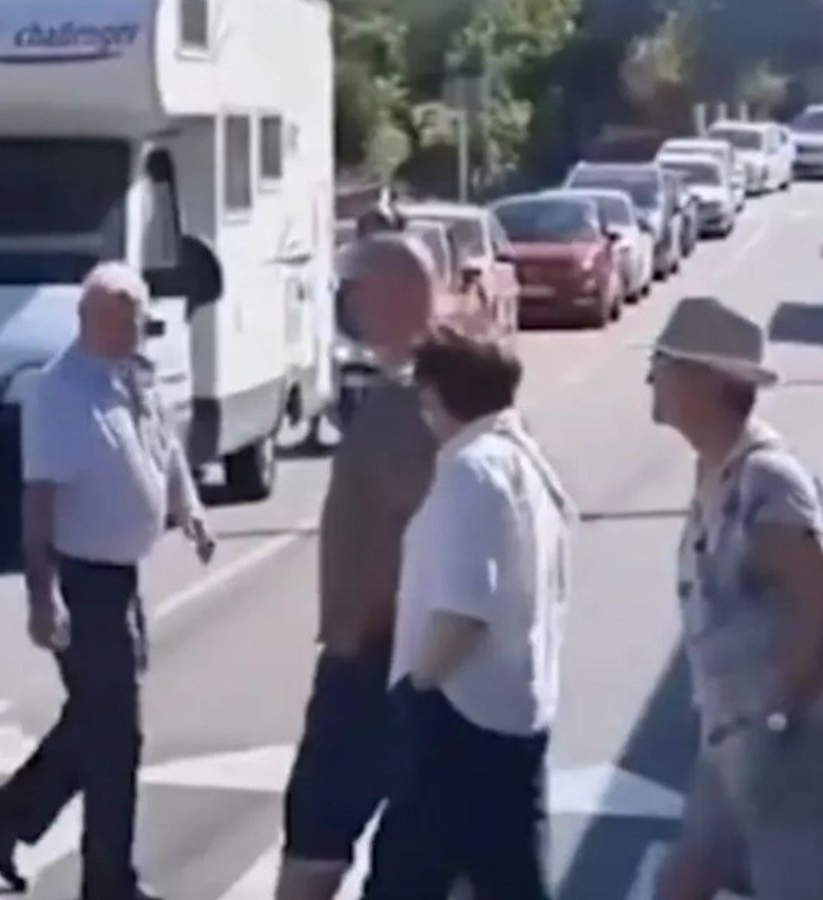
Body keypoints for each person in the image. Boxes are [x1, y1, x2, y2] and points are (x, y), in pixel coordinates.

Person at [0, 262, 214, 900]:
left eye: (138, 319)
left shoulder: (131, 378)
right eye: (122, 320)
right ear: (88, 320)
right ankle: (108, 879)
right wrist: (41, 594)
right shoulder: (60, 390)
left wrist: (190, 511)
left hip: (122, 574)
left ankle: (4, 816)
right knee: (115, 732)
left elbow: (166, 451)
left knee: (99, 720)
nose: (135, 331)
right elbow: (39, 496)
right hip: (81, 576)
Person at [649, 297, 823, 900]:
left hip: (794, 743)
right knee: (683, 882)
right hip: (737, 737)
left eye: (663, 362)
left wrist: (777, 718)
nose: (651, 377)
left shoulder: (768, 481)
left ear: (707, 381)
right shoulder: (717, 469)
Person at [361, 326, 574, 900]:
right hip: (516, 711)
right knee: (508, 878)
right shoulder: (527, 466)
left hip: (459, 720)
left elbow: (464, 608)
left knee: (402, 879)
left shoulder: (471, 473)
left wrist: (417, 690)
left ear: (437, 397)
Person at [274, 234, 441, 900]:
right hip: (380, 655)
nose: (344, 305)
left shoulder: (415, 403)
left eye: (354, 290)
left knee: (320, 829)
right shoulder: (404, 389)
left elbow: (415, 537)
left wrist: (357, 631)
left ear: (387, 296)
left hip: (374, 660)